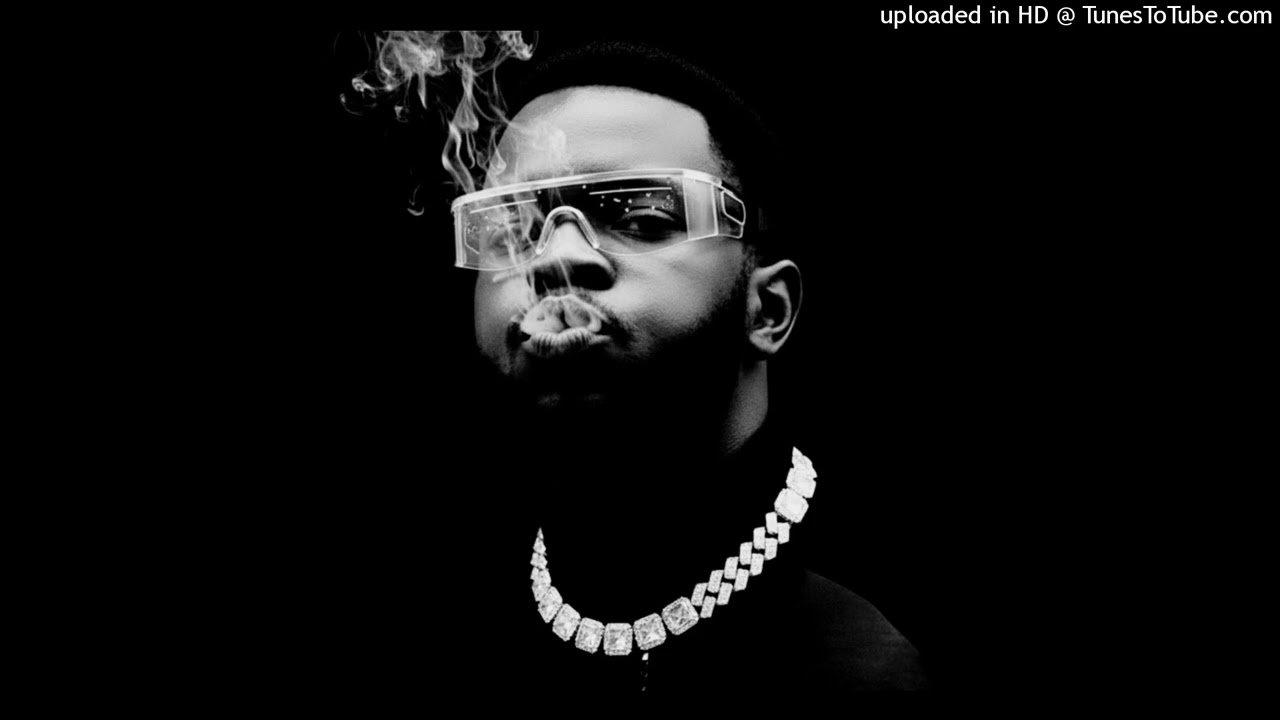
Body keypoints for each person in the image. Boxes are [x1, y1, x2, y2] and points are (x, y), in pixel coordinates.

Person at [448, 40, 927, 696]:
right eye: (511, 232)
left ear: (768, 309)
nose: (555, 257)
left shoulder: (873, 675)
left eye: (641, 217)